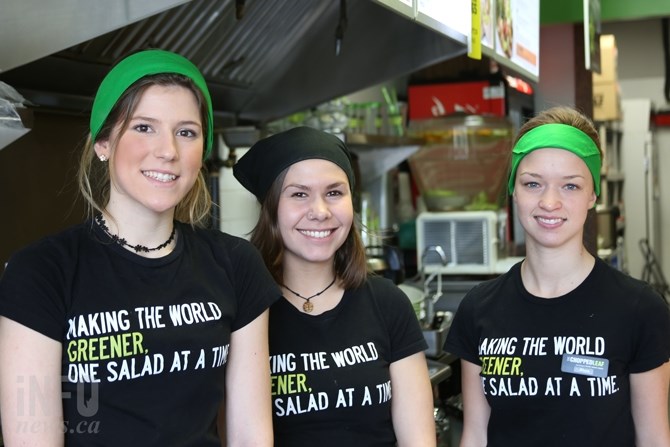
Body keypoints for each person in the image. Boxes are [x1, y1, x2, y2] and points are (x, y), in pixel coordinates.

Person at [0, 49, 279, 446]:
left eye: (187, 132)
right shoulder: (42, 271)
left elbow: (250, 434)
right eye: (144, 127)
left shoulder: (236, 265)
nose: (168, 150)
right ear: (104, 143)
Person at [444, 106, 670, 447]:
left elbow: (653, 439)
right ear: (513, 191)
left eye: (570, 186)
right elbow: (475, 435)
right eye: (533, 183)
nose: (549, 202)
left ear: (592, 194)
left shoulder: (639, 310)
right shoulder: (479, 308)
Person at [232, 126, 436, 446]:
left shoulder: (387, 303)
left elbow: (419, 440)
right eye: (299, 194)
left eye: (334, 193)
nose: (320, 212)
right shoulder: (244, 313)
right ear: (271, 208)